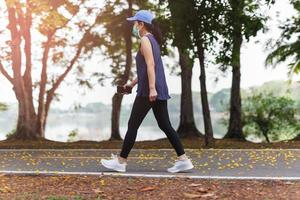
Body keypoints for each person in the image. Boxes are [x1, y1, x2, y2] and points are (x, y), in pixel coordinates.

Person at [101, 10, 194, 173]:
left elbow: (151, 65)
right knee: (165, 124)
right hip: (157, 87)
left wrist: (151, 89)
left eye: (135, 23)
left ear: (141, 24)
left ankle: (121, 162)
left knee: (133, 125)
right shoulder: (154, 41)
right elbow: (146, 69)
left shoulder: (145, 39)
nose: (134, 26)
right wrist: (131, 84)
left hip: (149, 90)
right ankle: (183, 160)